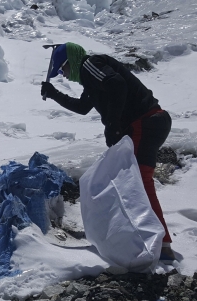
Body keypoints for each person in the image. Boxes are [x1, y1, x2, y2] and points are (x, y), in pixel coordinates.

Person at [40, 42, 176, 260]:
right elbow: (83, 108)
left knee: (141, 182)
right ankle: (147, 237)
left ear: (71, 61)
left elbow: (117, 84)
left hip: (145, 122)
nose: (63, 75)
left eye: (62, 69)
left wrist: (113, 124)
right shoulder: (90, 79)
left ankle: (162, 243)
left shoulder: (89, 64)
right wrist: (54, 94)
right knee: (132, 182)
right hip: (147, 123)